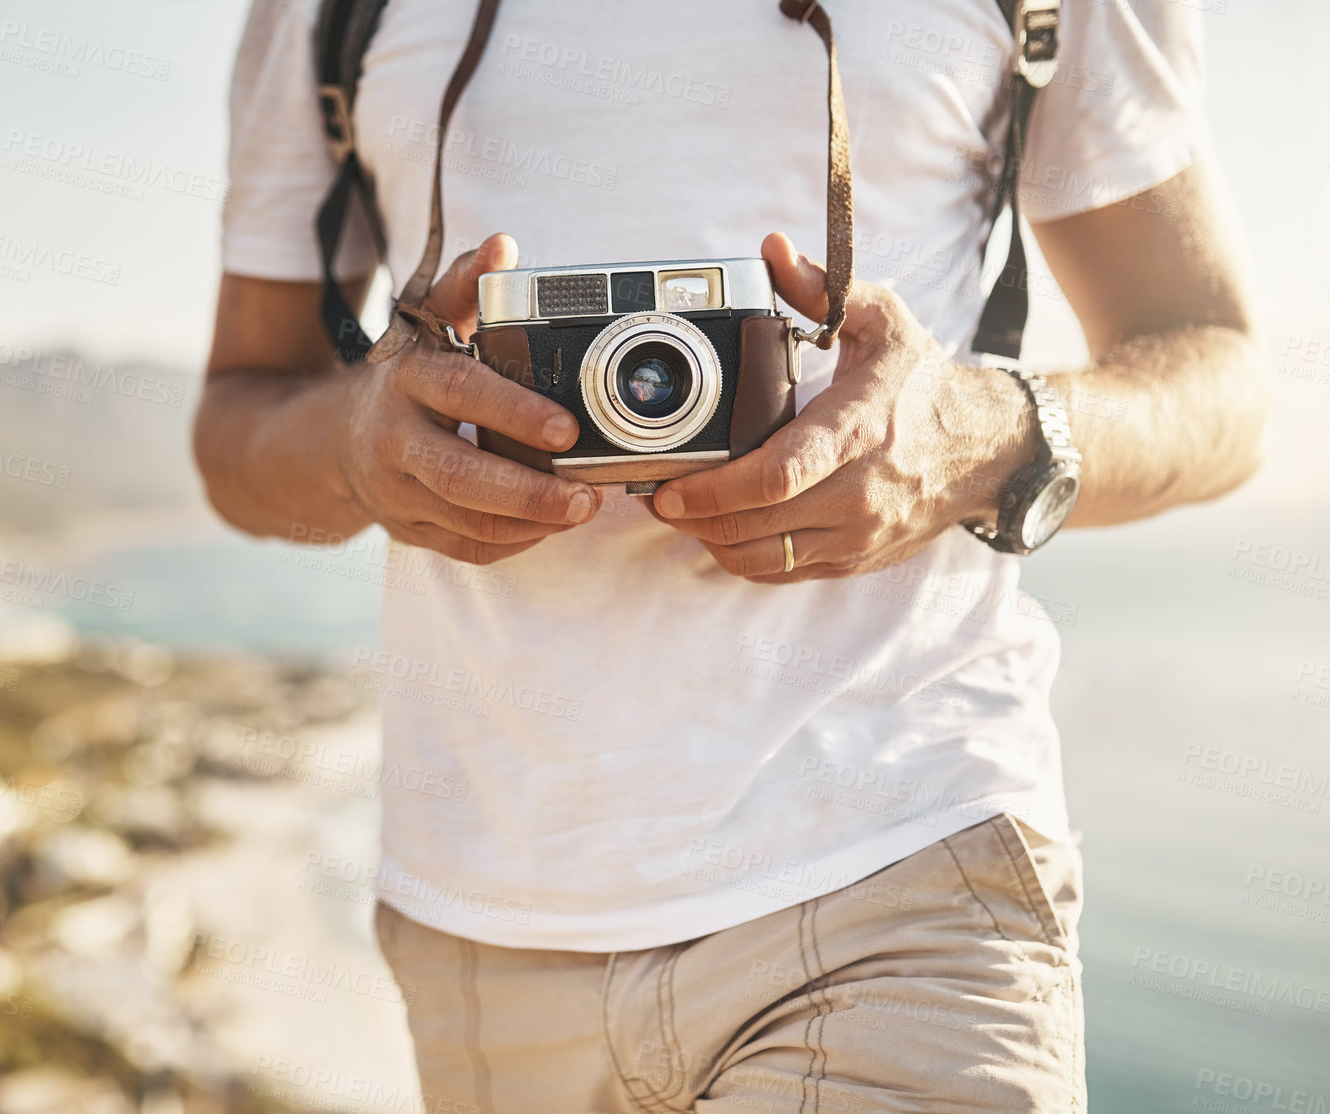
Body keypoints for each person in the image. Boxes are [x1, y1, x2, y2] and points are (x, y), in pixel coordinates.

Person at [194, 0, 1265, 1109]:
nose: (642, 379)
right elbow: (239, 428)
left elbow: (1219, 379)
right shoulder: (326, 16)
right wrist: (357, 443)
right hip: (486, 937)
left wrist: (970, 438)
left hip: (898, 861)